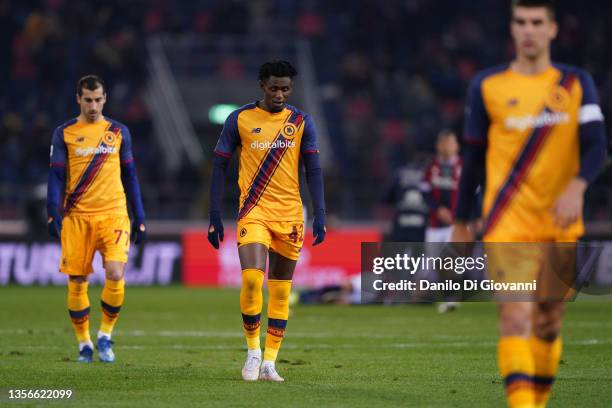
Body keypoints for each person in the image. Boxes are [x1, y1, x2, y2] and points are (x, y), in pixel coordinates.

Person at [452, 1, 607, 407]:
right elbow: (471, 159)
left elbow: (596, 146)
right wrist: (462, 220)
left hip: (560, 222)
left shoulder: (576, 84)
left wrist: (578, 185)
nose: (529, 30)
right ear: (512, 29)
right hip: (507, 223)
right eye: (521, 22)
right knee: (516, 317)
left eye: (537, 22)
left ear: (552, 29)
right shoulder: (487, 86)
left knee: (548, 322)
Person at [207, 60, 326, 382]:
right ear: (262, 85)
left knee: (281, 291)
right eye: (274, 88)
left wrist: (320, 214)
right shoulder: (240, 119)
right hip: (254, 211)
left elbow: (313, 171)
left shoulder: (301, 121)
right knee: (250, 280)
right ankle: (253, 351)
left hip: (290, 215)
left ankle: (270, 362)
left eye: (285, 89)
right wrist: (215, 215)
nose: (279, 94)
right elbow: (219, 167)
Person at [47, 75, 146, 363]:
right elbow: (55, 175)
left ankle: (105, 334)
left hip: (113, 215)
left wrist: (139, 216)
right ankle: (84, 344)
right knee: (78, 280)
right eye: (88, 100)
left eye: (98, 99)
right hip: (77, 215)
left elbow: (130, 176)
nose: (93, 105)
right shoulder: (64, 133)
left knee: (115, 273)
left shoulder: (118, 132)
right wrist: (52, 211)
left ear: (105, 99)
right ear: (78, 99)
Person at [422, 129, 462, 243]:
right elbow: (424, 193)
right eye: (443, 143)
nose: (446, 147)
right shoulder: (430, 167)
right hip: (434, 226)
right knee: (432, 260)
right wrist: (438, 209)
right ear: (438, 145)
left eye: (449, 143)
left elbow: (473, 194)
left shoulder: (464, 167)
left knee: (454, 260)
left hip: (457, 226)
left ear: (457, 146)